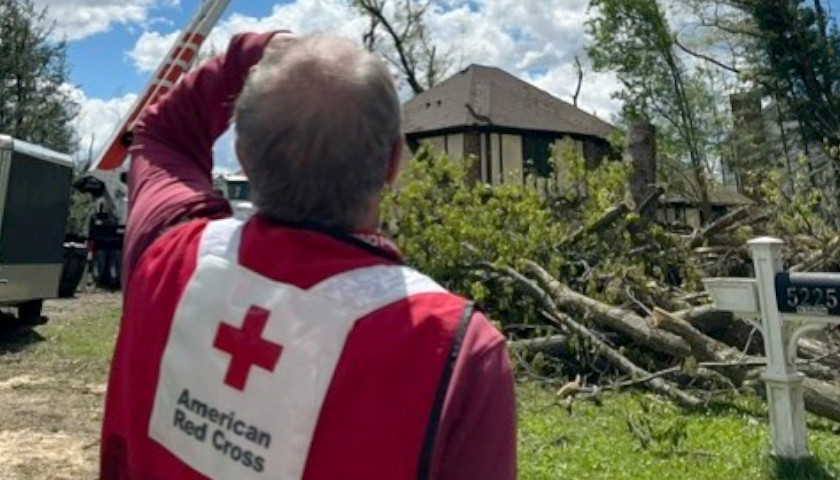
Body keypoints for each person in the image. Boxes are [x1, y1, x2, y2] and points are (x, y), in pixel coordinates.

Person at [100, 30, 516, 480]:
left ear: (242, 155)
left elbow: (161, 135)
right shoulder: (458, 355)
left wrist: (256, 49)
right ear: (393, 163)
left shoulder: (166, 253)